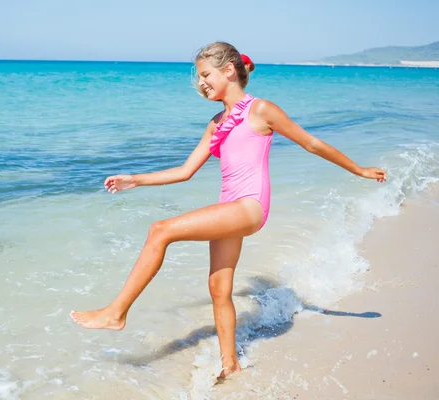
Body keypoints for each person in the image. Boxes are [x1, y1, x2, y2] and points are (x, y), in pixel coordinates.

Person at [70, 42, 387, 379]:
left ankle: (116, 312)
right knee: (219, 290)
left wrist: (359, 170)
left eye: (206, 75)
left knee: (160, 230)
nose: (202, 83)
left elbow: (311, 143)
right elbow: (184, 171)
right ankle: (230, 364)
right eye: (200, 78)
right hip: (230, 210)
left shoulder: (260, 110)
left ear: (229, 70)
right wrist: (136, 179)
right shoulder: (216, 123)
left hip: (250, 207)